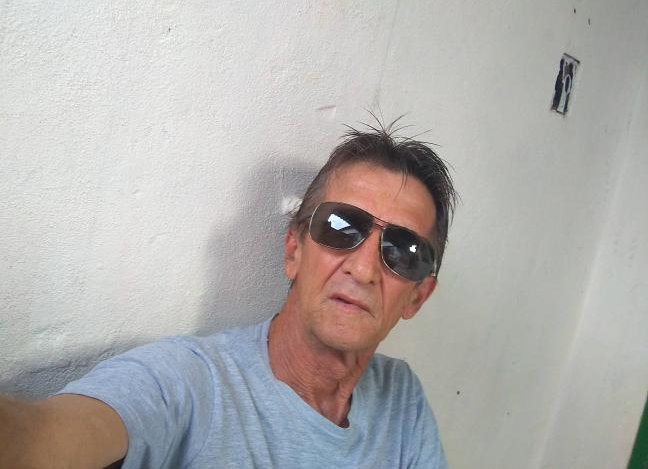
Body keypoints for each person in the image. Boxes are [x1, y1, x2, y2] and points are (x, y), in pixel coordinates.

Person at [0, 122, 456, 468]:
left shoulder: (402, 399)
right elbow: (48, 438)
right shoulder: (189, 383)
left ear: (418, 297)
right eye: (341, 226)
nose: (363, 268)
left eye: (403, 251)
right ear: (294, 251)